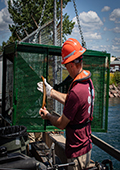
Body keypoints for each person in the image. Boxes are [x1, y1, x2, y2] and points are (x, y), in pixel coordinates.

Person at [37, 38, 95, 170]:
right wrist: (51, 92)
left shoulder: (76, 90)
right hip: (86, 145)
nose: (65, 68)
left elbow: (61, 124)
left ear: (71, 65)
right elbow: (73, 102)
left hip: (76, 150)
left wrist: (48, 116)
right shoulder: (88, 82)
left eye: (65, 65)